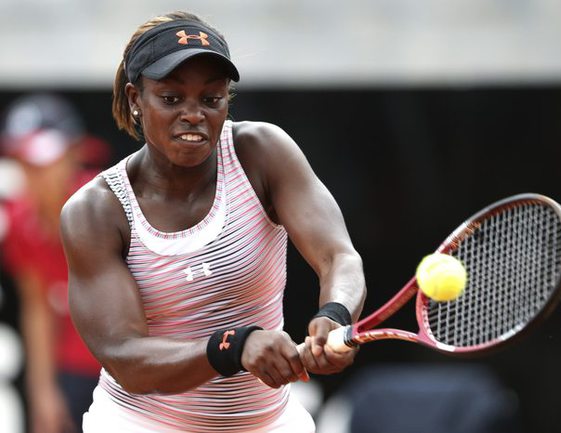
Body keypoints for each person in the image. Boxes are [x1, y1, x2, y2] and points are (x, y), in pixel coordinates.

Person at [60, 10, 366, 433]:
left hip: (270, 423)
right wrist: (232, 346)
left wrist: (336, 314)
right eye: (171, 98)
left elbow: (339, 257)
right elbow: (127, 359)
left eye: (211, 98)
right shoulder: (96, 210)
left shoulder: (261, 152)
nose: (193, 114)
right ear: (135, 99)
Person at [0, 94, 106, 433]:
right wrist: (42, 392)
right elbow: (37, 306)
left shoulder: (108, 205)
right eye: (24, 162)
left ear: (75, 154)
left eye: (43, 162)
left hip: (132, 369)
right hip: (71, 368)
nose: (35, 175)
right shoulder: (19, 219)